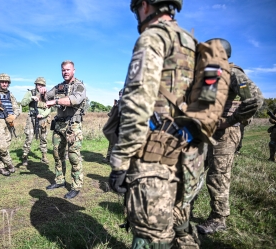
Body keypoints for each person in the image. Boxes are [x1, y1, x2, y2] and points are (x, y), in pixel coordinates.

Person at [108, 1, 202, 248]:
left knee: (151, 239)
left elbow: (137, 103)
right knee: (181, 230)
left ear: (146, 6)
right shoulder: (191, 44)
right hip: (188, 158)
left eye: (136, 9)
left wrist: (120, 163)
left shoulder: (153, 38)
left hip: (155, 163)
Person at [196, 39, 264, 234]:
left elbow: (254, 99)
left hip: (225, 134)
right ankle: (185, 208)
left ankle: (218, 219)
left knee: (218, 176)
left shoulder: (233, 73)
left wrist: (230, 120)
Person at [45, 60, 86, 199]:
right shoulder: (59, 87)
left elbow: (73, 100)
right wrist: (42, 93)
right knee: (57, 154)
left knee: (74, 157)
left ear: (73, 70)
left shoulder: (79, 86)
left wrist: (55, 101)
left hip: (72, 127)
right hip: (58, 125)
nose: (65, 72)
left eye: (68, 70)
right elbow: (46, 97)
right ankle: (59, 180)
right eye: (63, 70)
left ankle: (76, 186)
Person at [20, 77, 51, 166]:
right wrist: (31, 98)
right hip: (31, 119)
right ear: (36, 84)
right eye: (38, 84)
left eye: (42, 85)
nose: (40, 86)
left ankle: (44, 156)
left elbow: (49, 108)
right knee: (29, 138)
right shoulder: (30, 93)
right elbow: (23, 103)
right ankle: (25, 157)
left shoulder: (47, 95)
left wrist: (43, 115)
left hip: (43, 119)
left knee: (43, 138)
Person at [102, 89, 123, 163]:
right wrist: (114, 106)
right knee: (111, 143)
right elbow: (110, 114)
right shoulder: (117, 104)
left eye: (121, 94)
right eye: (119, 94)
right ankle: (108, 158)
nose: (120, 95)